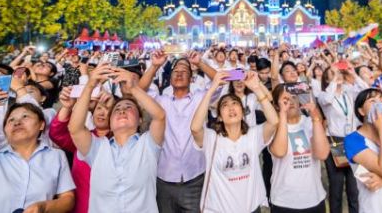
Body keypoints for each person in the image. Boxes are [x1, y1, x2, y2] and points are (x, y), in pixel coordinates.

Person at [68, 64, 166, 213]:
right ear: (110, 122)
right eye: (117, 110)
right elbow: (75, 128)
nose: (122, 111)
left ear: (140, 120)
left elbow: (160, 116)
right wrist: (90, 85)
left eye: (128, 107)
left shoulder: (147, 145)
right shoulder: (97, 148)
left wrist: (133, 88)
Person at [190, 71, 279, 213]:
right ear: (219, 117)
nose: (231, 108)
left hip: (251, 208)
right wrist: (212, 89)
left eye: (235, 103)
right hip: (219, 209)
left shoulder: (253, 135)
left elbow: (274, 121)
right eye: (224, 105)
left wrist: (256, 88)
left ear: (243, 112)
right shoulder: (212, 139)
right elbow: (195, 128)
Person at [139, 50, 216, 213]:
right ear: (170, 77)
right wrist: (154, 66)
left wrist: (200, 63)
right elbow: (139, 89)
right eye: (176, 72)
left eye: (184, 72)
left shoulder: (199, 98)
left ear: (192, 78)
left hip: (195, 177)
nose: (179, 74)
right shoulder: (161, 101)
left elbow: (219, 81)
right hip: (164, 177)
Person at [49, 86, 113, 213]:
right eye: (98, 108)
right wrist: (67, 107)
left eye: (109, 109)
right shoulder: (82, 138)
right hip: (81, 206)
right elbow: (57, 133)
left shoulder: (124, 141)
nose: (102, 113)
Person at [268, 84, 329, 213]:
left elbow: (322, 154)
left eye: (294, 97)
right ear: (277, 104)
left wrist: (316, 118)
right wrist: (283, 115)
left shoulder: (309, 122)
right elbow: (279, 152)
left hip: (314, 198)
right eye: (285, 99)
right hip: (284, 201)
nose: (290, 102)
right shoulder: (273, 126)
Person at [318, 65, 360, 213]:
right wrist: (334, 81)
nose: (338, 75)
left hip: (353, 140)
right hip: (335, 141)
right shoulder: (323, 95)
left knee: (354, 186)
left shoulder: (348, 92)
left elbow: (364, 90)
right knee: (336, 185)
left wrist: (353, 74)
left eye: (338, 73)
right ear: (327, 79)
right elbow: (327, 98)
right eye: (333, 74)